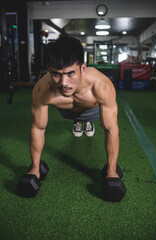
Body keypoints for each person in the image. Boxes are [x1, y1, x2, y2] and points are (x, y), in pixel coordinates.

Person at [28, 36, 119, 181]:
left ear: (83, 68)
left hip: (92, 110)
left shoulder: (101, 86)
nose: (63, 83)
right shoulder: (42, 90)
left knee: (105, 123)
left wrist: (111, 171)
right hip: (66, 112)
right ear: (48, 70)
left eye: (70, 73)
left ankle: (87, 122)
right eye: (56, 74)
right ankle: (78, 121)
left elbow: (111, 129)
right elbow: (38, 128)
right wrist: (34, 168)